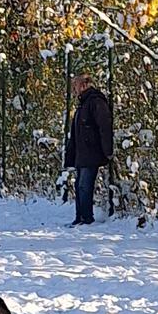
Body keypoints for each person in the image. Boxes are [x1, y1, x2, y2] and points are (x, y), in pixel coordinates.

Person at [64, 72, 114, 226]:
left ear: (84, 85)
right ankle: (80, 217)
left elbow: (104, 126)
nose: (74, 89)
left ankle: (86, 218)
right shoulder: (83, 104)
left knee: (84, 186)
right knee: (80, 185)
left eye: (76, 85)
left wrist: (107, 150)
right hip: (82, 153)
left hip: (91, 152)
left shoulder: (95, 102)